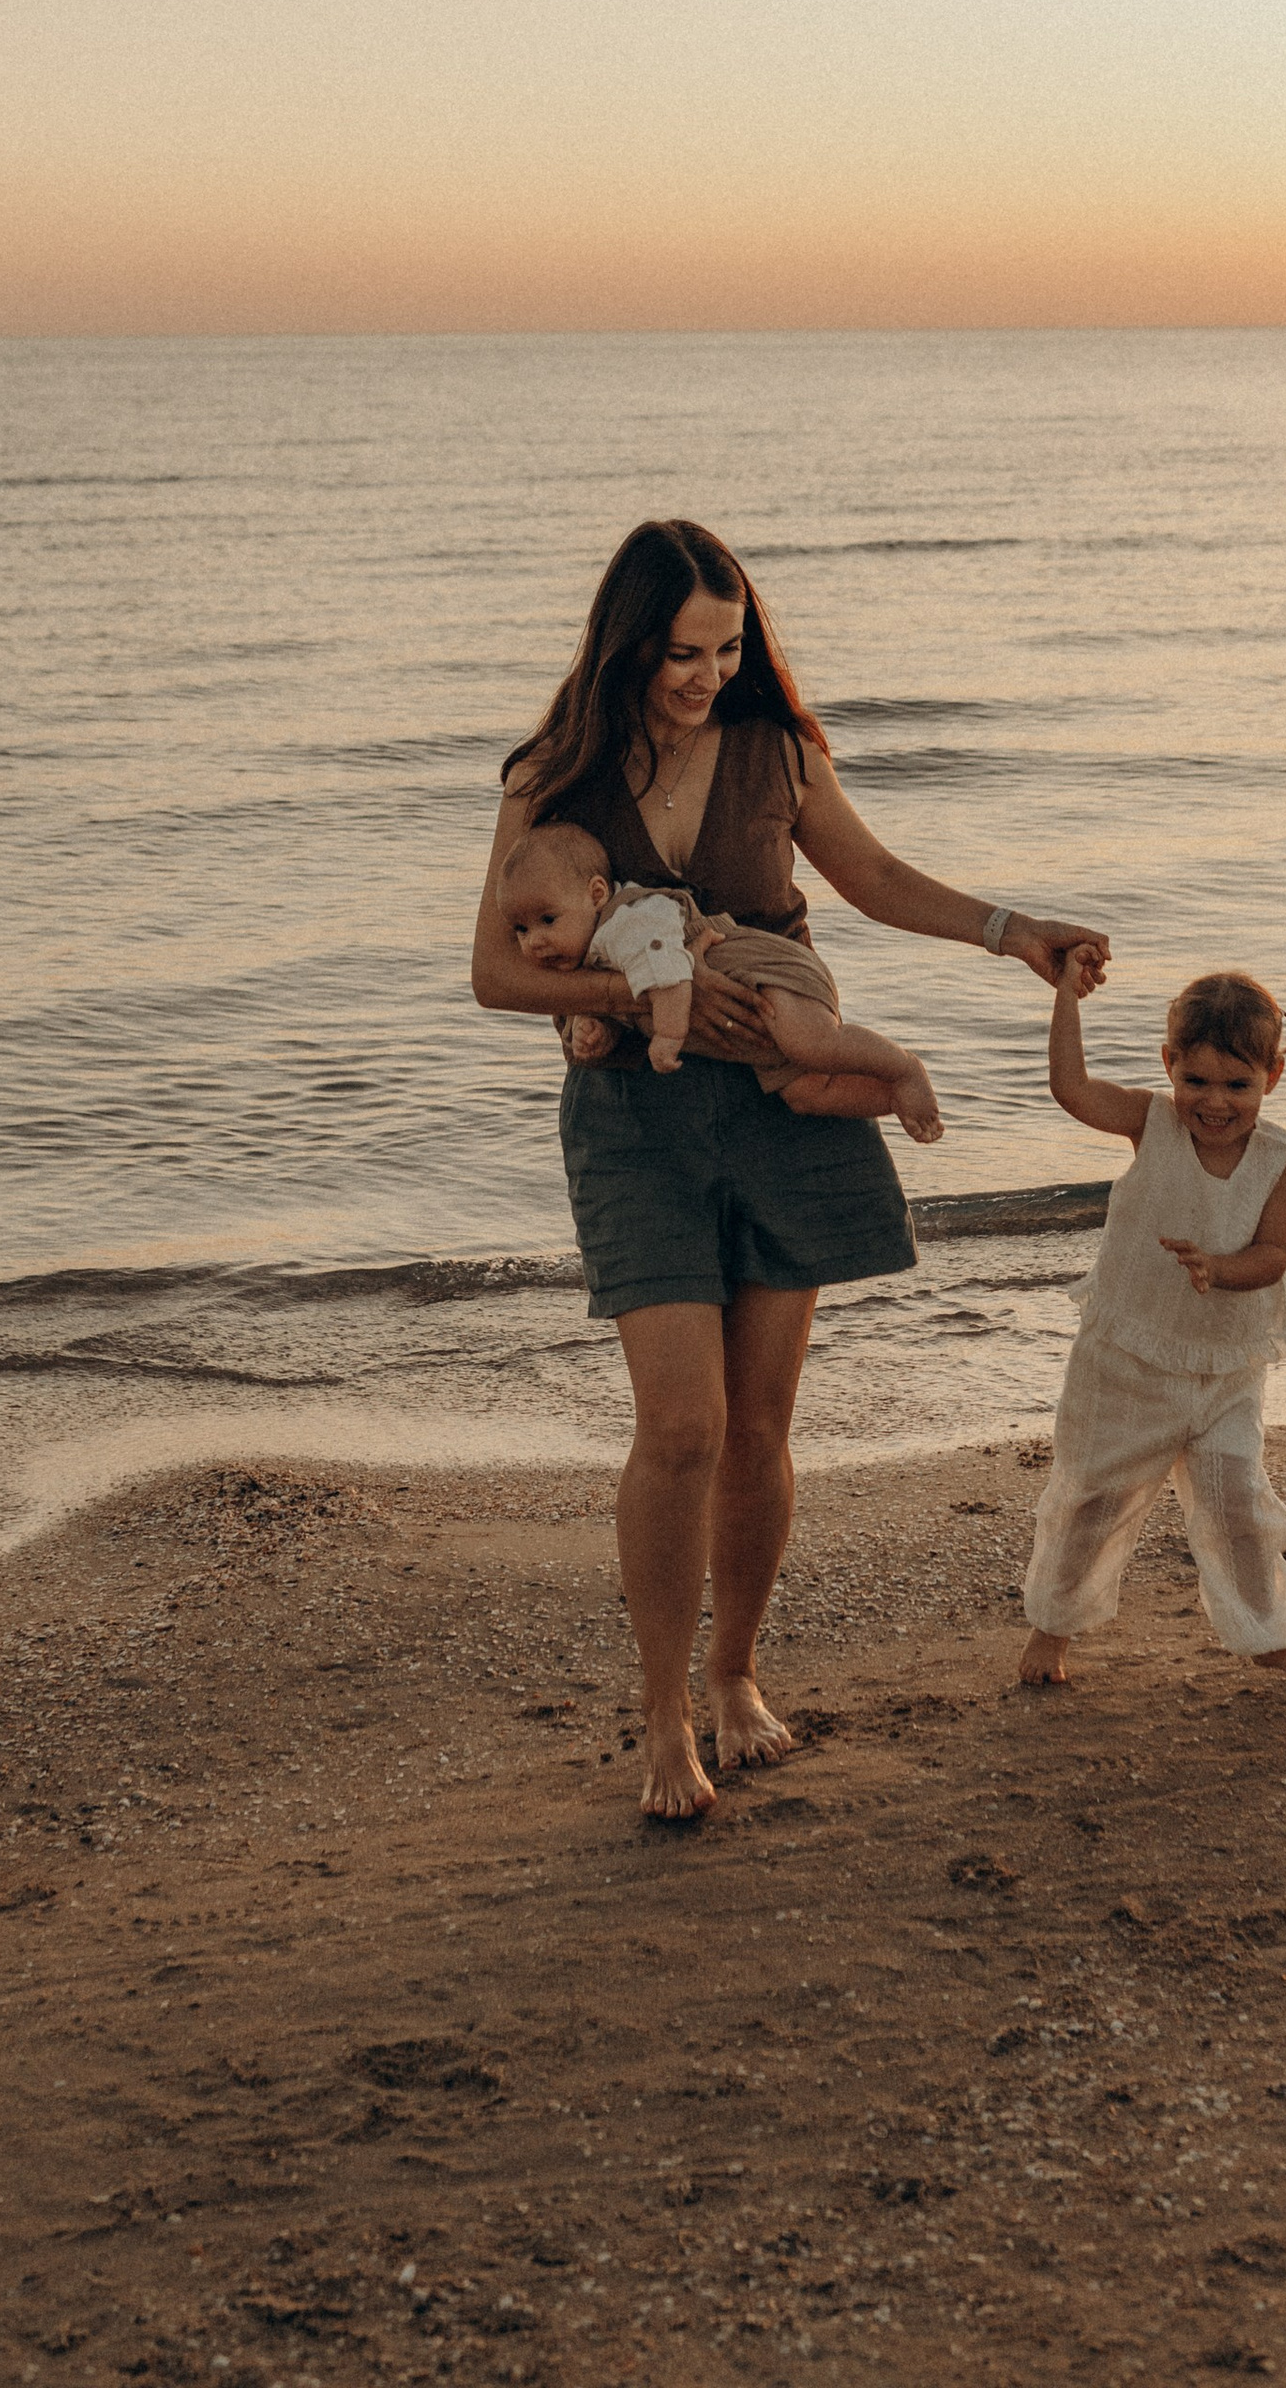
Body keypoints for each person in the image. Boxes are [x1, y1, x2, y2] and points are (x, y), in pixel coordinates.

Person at [472, 516, 1110, 1821]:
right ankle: (663, 1718)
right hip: (634, 1118)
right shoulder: (550, 775)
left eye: (725, 649)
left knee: (760, 1428)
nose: (706, 675)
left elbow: (871, 875)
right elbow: (493, 972)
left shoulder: (774, 748)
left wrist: (1014, 934)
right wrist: (636, 993)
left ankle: (735, 1675)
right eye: (681, 653)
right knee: (682, 1428)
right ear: (625, 644)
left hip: (787, 1105)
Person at [1016, 954, 1286, 1687]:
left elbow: (1273, 1255)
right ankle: (1051, 1630)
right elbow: (1071, 1088)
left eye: (1237, 1085)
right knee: (1092, 1500)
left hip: (1226, 1369)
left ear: (1272, 1077)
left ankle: (1267, 1634)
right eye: (1195, 1080)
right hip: (1126, 1360)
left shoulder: (1279, 1156)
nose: (1214, 1102)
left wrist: (1219, 1269)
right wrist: (1065, 994)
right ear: (1169, 1066)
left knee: (1237, 1503)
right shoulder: (1149, 1122)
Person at [499, 818, 944, 1139]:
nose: (535, 941)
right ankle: (892, 1098)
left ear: (597, 894)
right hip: (750, 1005)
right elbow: (620, 1005)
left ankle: (903, 1068)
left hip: (764, 971)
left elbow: (669, 974)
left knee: (811, 1043)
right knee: (807, 1093)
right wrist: (598, 1031)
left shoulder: (628, 921)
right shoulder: (586, 956)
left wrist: (668, 1035)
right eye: (521, 929)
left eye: (547, 920)